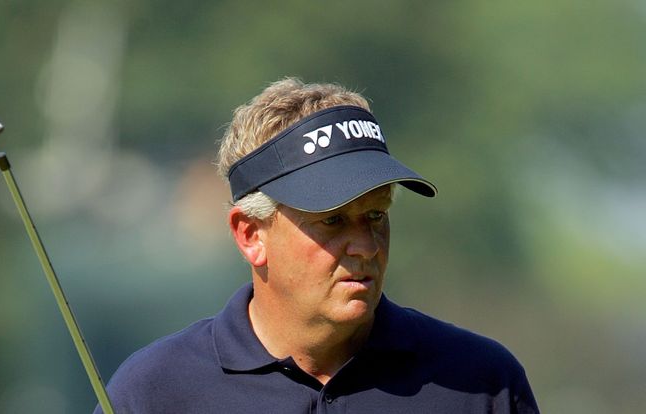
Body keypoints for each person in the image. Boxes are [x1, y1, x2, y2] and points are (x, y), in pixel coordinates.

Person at [95, 78, 539, 413]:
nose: (365, 246)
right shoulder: (153, 392)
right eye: (332, 220)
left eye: (376, 216)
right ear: (251, 234)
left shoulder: (482, 383)